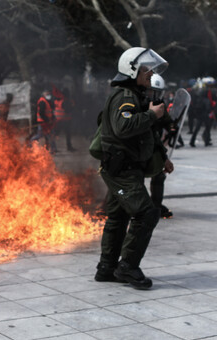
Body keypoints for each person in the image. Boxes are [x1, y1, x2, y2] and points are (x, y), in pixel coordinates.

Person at [94, 47, 172, 290]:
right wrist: (151, 115)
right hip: (121, 171)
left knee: (118, 216)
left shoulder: (134, 95)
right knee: (147, 212)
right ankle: (127, 266)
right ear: (132, 70)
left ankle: (107, 268)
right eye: (146, 69)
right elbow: (123, 128)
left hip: (126, 169)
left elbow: (145, 135)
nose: (150, 74)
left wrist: (162, 156)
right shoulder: (125, 97)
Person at [147, 74, 174, 219]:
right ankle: (109, 206)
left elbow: (167, 121)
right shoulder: (137, 102)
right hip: (137, 146)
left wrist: (172, 127)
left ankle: (156, 205)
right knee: (129, 176)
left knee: (159, 175)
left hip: (153, 144)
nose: (153, 95)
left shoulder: (160, 105)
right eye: (151, 91)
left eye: (156, 92)